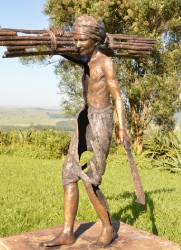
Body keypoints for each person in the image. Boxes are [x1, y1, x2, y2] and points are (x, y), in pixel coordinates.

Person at [40, 15, 130, 248]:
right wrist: (55, 39)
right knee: (69, 173)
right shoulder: (84, 58)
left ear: (95, 40)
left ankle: (108, 229)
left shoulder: (105, 62)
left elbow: (117, 96)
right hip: (85, 119)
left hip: (102, 121)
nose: (77, 44)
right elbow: (64, 51)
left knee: (91, 180)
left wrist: (122, 128)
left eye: (81, 40)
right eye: (75, 39)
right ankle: (67, 232)